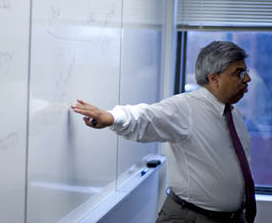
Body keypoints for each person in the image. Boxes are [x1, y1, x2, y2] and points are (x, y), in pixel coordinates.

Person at [71, 41, 256, 223]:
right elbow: (146, 117)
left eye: (245, 72)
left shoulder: (232, 113)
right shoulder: (186, 108)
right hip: (192, 217)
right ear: (213, 79)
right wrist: (112, 117)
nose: (247, 78)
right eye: (239, 73)